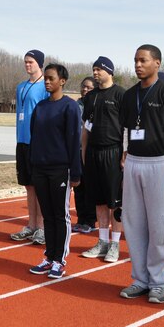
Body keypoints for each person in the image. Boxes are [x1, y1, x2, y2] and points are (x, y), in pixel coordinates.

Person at [118, 45, 164, 305]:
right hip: (134, 162)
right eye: (135, 60)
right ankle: (140, 279)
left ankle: (158, 282)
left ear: (157, 63)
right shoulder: (130, 94)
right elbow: (127, 129)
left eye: (143, 60)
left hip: (160, 164)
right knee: (134, 224)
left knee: (160, 226)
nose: (137, 65)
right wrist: (125, 153)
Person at [27, 64, 82, 280]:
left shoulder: (69, 107)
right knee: (47, 215)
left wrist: (75, 173)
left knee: (60, 215)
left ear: (62, 81)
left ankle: (60, 259)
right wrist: (33, 164)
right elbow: (34, 138)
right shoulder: (40, 107)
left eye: (51, 78)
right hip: (40, 168)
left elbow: (73, 141)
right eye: (45, 79)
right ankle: (49, 256)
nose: (47, 82)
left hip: (60, 169)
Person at [80, 56, 127, 262]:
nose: (96, 73)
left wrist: (125, 154)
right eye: (94, 69)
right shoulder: (91, 97)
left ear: (109, 71)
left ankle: (115, 243)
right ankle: (102, 241)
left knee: (114, 201)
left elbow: (127, 128)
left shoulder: (120, 95)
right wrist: (83, 152)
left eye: (99, 69)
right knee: (98, 200)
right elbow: (85, 128)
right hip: (93, 153)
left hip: (113, 152)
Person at [11, 50, 50, 245]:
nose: (27, 65)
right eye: (25, 62)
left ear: (40, 64)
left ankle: (42, 227)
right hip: (22, 142)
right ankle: (31, 225)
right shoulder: (20, 87)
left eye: (31, 62)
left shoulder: (45, 86)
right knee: (28, 186)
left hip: (38, 142)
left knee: (40, 186)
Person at [72, 77, 98, 233]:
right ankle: (81, 219)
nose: (85, 90)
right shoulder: (75, 105)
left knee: (89, 188)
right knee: (78, 187)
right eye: (83, 87)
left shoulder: (95, 103)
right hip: (75, 151)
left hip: (89, 151)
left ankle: (90, 220)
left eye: (89, 87)